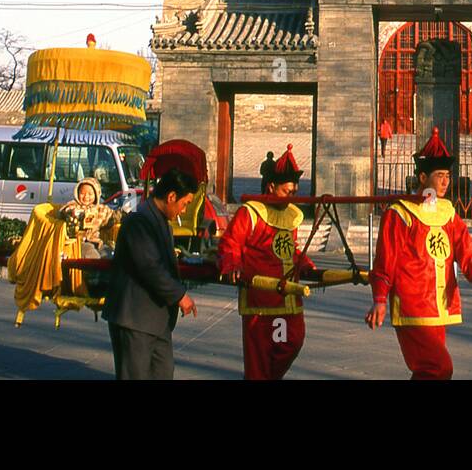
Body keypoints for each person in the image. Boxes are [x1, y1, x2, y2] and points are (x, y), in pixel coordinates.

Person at [365, 126, 472, 379]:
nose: (446, 181)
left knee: (431, 370)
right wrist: (380, 298)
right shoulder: (399, 214)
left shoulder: (447, 212)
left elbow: (463, 246)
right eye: (439, 175)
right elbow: (385, 261)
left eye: (448, 175)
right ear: (423, 178)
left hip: (439, 303)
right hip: (412, 303)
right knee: (438, 366)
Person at [219, 147, 318, 380]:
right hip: (260, 301)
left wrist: (305, 262)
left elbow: (289, 249)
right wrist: (232, 263)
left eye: (294, 192)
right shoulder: (250, 212)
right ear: (271, 187)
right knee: (259, 360)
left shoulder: (290, 215)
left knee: (291, 341)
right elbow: (230, 243)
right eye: (287, 192)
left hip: (288, 298)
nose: (292, 197)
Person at [103, 168, 198, 380]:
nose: (184, 210)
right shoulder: (139, 221)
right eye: (185, 203)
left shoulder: (161, 222)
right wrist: (180, 295)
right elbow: (149, 267)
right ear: (171, 196)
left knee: (163, 372)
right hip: (135, 317)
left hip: (157, 320)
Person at [58, 176, 120, 260]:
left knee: (110, 254)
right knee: (93, 256)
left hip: (96, 241)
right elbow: (65, 211)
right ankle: (93, 272)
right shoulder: (73, 206)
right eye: (82, 193)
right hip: (79, 242)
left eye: (90, 194)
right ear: (77, 193)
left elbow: (112, 217)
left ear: (96, 195)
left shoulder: (101, 209)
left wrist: (124, 213)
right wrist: (75, 214)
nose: (86, 197)